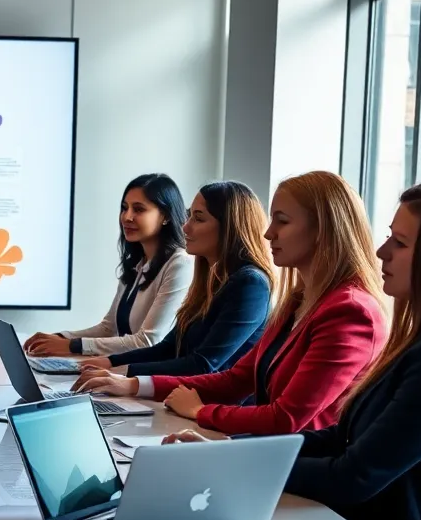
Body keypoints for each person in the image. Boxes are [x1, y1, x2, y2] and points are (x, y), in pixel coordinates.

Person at [167, 182, 421, 520]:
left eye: (399, 244)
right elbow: (342, 437)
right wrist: (227, 450)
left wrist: (227, 463)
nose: (381, 252)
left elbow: (352, 477)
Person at [76, 170, 387, 436]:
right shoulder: (298, 300)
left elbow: (286, 418)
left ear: (323, 230)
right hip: (266, 452)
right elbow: (238, 378)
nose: (268, 233)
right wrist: (134, 385)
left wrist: (200, 412)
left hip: (298, 472)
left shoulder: (350, 311)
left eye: (282, 221)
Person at [80, 181, 274, 377]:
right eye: (189, 216)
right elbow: (168, 348)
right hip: (188, 399)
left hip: (218, 405)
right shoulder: (212, 281)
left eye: (198, 219)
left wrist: (123, 372)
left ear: (230, 227)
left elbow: (203, 364)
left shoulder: (250, 284)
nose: (185, 227)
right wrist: (109, 362)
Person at [24, 173, 194, 356]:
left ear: (165, 216)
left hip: (148, 378)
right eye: (124, 208)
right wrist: (60, 338)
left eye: (138, 209)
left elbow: (148, 341)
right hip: (121, 371)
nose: (127, 217)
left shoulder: (180, 263)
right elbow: (109, 328)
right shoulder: (137, 264)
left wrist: (72, 346)